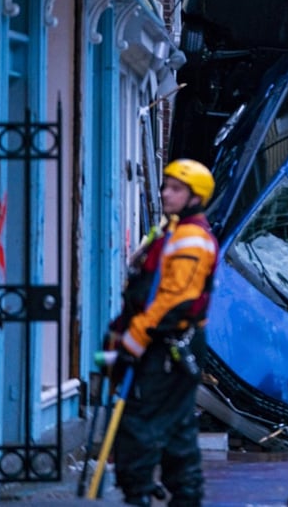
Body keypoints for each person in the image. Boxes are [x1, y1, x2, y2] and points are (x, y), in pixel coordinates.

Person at [110, 159, 218, 506]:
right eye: (165, 186)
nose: (165, 193)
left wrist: (133, 341)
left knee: (140, 420)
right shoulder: (172, 230)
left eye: (176, 189)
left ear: (194, 197)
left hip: (167, 342)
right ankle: (185, 495)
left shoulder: (191, 239)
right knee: (177, 424)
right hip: (166, 341)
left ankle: (139, 493)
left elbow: (174, 300)